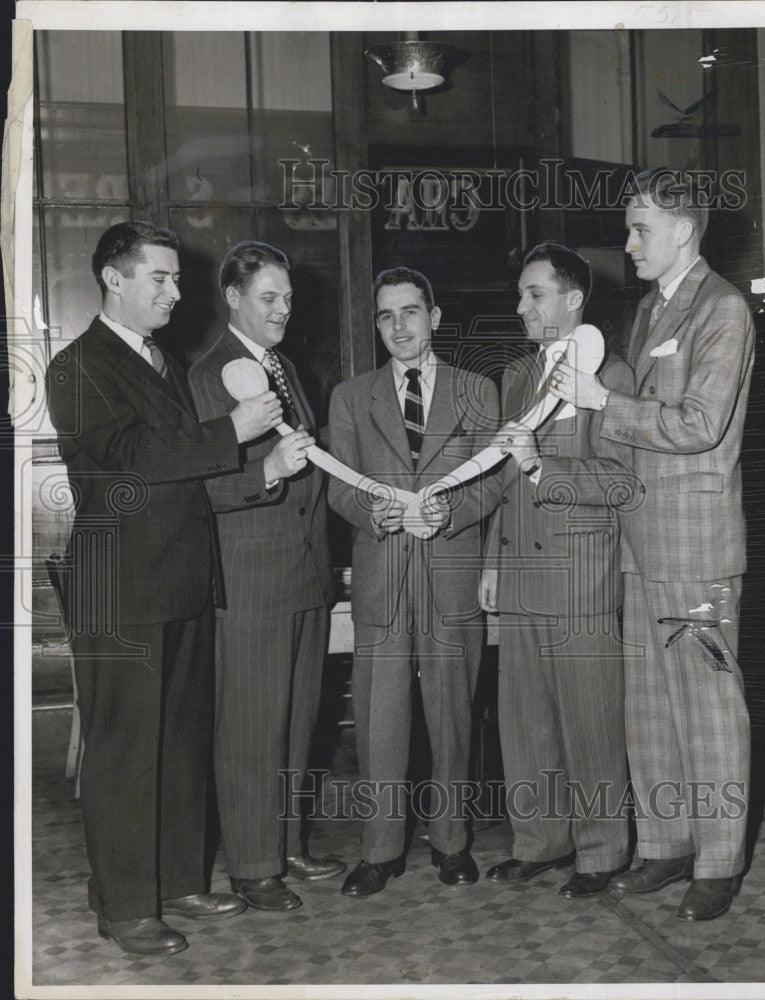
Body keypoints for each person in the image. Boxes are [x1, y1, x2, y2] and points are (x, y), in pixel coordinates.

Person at [45, 221, 282, 956]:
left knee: (181, 739)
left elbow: (184, 474)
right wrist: (232, 432)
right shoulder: (75, 366)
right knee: (124, 751)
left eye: (178, 279)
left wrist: (262, 470)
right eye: (161, 278)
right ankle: (123, 907)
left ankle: (178, 880)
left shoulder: (163, 360)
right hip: (120, 588)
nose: (176, 294)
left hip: (179, 576)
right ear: (114, 279)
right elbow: (125, 458)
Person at [551, 169, 755, 921]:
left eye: (640, 228)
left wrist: (606, 401)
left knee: (707, 706)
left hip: (696, 546)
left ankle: (720, 860)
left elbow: (700, 423)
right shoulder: (645, 311)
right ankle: (666, 845)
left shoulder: (723, 309)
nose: (628, 242)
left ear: (683, 230)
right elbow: (629, 427)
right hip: (643, 541)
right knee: (650, 709)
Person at [327, 267, 501, 896]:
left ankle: (452, 842)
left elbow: (495, 478)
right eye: (385, 316)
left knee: (452, 716)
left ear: (434, 317)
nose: (398, 326)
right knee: (380, 722)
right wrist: (366, 510)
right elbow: (338, 482)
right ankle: (380, 849)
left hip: (451, 577)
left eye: (409, 312)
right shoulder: (351, 396)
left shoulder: (478, 390)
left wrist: (451, 511)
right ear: (376, 325)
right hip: (382, 578)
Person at [187, 242, 344, 913]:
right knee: (252, 727)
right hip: (249, 579)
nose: (281, 308)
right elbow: (199, 489)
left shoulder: (282, 366)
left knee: (298, 720)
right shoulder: (206, 374)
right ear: (233, 297)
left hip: (303, 573)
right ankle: (253, 867)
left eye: (286, 297)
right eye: (267, 297)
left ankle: (286, 844)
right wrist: (270, 472)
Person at [480, 242, 635, 897]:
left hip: (580, 574)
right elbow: (497, 480)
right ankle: (541, 842)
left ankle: (601, 852)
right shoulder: (514, 378)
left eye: (534, 294)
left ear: (573, 299)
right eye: (520, 295)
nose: (522, 306)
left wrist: (546, 466)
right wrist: (490, 561)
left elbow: (622, 480)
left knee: (590, 721)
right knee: (525, 721)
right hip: (517, 570)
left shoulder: (614, 377)